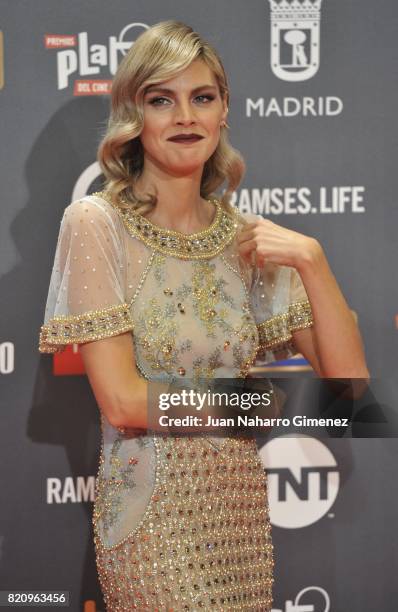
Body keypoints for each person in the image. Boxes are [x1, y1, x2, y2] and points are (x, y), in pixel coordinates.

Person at [38, 20, 369, 611]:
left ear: (224, 113)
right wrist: (248, 399)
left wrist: (314, 262)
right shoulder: (97, 224)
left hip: (240, 527)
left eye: (202, 97)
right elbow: (121, 401)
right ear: (134, 118)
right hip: (151, 523)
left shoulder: (247, 238)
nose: (185, 117)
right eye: (162, 100)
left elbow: (349, 394)